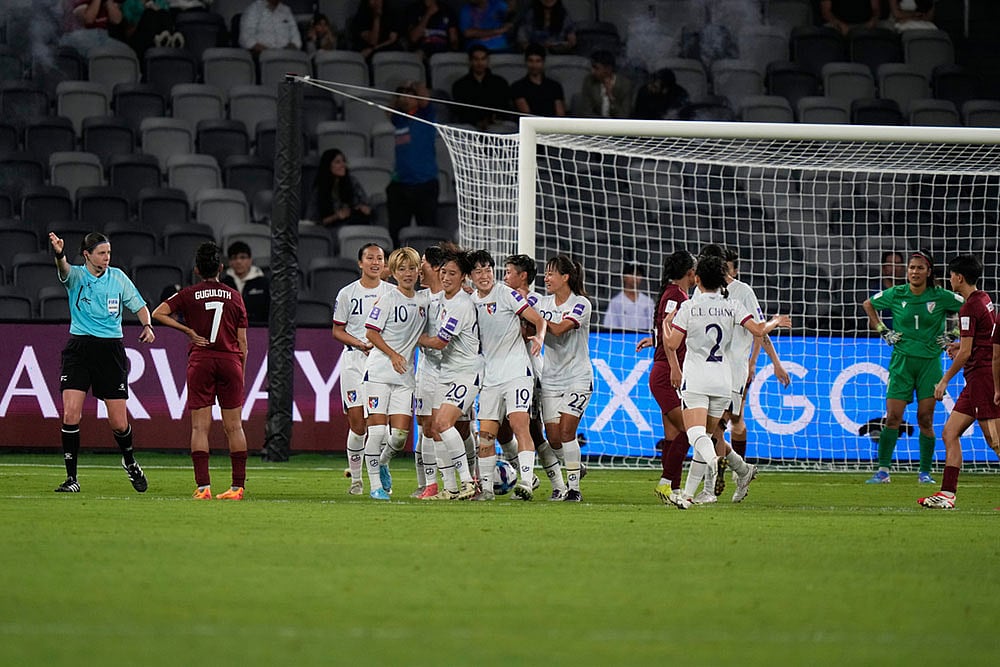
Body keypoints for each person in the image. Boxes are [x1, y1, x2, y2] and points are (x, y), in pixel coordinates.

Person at [664, 254, 792, 509]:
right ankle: (688, 496)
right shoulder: (733, 306)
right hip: (723, 379)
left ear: (697, 279)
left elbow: (672, 344)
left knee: (696, 435)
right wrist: (776, 321)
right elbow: (759, 330)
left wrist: (667, 325)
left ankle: (713, 462)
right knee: (708, 435)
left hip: (697, 378)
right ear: (722, 280)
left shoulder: (689, 306)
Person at [48, 231, 154, 494]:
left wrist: (147, 325)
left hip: (110, 351)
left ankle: (129, 461)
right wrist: (59, 253)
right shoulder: (75, 276)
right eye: (102, 253)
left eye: (108, 253)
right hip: (80, 349)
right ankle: (71, 478)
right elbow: (63, 268)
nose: (107, 258)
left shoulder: (117, 277)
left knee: (118, 423)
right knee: (71, 415)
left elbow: (139, 305)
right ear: (87, 255)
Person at [152, 242, 249, 501]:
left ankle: (203, 487)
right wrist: (241, 371)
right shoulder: (235, 296)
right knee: (235, 427)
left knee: (199, 427)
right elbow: (243, 343)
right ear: (221, 268)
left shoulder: (188, 294)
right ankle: (237, 488)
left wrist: (188, 331)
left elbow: (158, 313)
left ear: (196, 270)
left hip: (201, 360)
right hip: (230, 361)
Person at [861, 250, 964, 484]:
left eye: (919, 268)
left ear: (928, 272)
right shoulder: (897, 293)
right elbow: (868, 304)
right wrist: (883, 330)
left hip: (929, 364)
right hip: (902, 363)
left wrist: (954, 333)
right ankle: (883, 471)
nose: (914, 272)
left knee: (925, 419)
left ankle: (924, 472)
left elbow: (968, 307)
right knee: (892, 418)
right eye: (911, 268)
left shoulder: (940, 296)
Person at [703, 245, 791, 499]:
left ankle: (715, 484)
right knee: (714, 428)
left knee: (721, 426)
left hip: (734, 370)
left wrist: (769, 363)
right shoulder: (703, 291)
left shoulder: (743, 292)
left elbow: (759, 329)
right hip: (709, 369)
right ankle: (742, 470)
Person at [919, 256, 998, 509]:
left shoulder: (969, 308)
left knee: (995, 440)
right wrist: (959, 345)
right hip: (976, 378)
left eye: (951, 275)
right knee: (950, 433)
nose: (949, 279)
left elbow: (965, 353)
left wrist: (944, 380)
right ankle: (947, 494)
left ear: (959, 277)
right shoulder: (984, 298)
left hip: (982, 378)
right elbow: (981, 339)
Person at [468, 249, 547, 500]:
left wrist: (539, 337)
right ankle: (487, 491)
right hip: (490, 377)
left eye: (488, 270)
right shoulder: (471, 301)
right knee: (486, 435)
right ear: (471, 276)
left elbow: (539, 320)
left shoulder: (506, 294)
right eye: (478, 271)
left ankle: (526, 482)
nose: (484, 275)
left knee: (519, 424)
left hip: (516, 372)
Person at [362, 247, 427, 500]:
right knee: (378, 432)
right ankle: (375, 486)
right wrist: (393, 354)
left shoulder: (424, 301)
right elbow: (371, 333)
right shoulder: (387, 299)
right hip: (379, 373)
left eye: (411, 268)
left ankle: (383, 461)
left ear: (418, 271)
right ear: (394, 273)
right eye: (402, 269)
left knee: (399, 437)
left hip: (404, 377)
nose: (407, 273)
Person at [416, 246, 481, 500]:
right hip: (446, 371)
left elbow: (440, 342)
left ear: (463, 276)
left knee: (444, 424)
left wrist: (416, 339)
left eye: (452, 273)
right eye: (443, 272)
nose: (445, 277)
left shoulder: (461, 305)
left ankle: (467, 481)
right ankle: (450, 487)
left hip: (466, 372)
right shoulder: (444, 298)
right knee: (435, 428)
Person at [636, 251, 696, 498]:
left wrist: (655, 340)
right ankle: (665, 482)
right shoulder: (676, 296)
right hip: (667, 372)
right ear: (690, 273)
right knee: (690, 429)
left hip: (665, 369)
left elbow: (665, 330)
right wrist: (675, 367)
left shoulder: (674, 294)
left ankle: (674, 488)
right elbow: (667, 327)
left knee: (672, 435)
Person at [331, 243, 390, 495]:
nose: (375, 262)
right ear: (360, 263)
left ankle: (381, 467)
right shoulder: (347, 293)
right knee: (357, 425)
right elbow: (337, 330)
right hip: (354, 361)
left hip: (382, 362)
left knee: (381, 426)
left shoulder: (392, 292)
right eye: (370, 258)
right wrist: (359, 343)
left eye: (379, 258)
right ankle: (356, 480)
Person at [533, 255, 592, 502]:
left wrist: (537, 321)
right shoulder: (541, 302)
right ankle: (576, 465)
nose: (546, 278)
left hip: (578, 377)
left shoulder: (581, 304)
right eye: (545, 273)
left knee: (567, 432)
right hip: (551, 379)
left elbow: (558, 329)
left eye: (551, 273)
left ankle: (574, 489)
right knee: (554, 438)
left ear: (565, 277)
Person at [412, 245, 447, 498]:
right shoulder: (419, 298)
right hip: (426, 368)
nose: (418, 268)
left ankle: (471, 479)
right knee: (425, 426)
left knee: (457, 427)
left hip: (453, 370)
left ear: (435, 267)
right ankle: (427, 483)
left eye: (422, 262)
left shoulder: (454, 297)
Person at [387, 81, 439, 247]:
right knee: (396, 232)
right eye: (403, 96)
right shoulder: (399, 118)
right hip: (401, 185)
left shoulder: (426, 115)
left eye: (410, 96)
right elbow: (389, 111)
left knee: (427, 230)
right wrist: (399, 93)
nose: (406, 98)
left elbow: (425, 98)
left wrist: (413, 84)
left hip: (424, 184)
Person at [451, 44, 514, 130]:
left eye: (483, 59)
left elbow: (504, 106)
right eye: (476, 59)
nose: (479, 63)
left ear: (488, 61)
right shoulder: (460, 85)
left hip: (496, 124)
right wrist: (477, 121)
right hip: (470, 126)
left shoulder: (500, 82)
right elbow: (461, 110)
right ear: (470, 61)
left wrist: (491, 119)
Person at [306, 148, 373, 228]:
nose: (343, 165)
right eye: (338, 162)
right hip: (330, 230)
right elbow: (311, 221)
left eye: (343, 161)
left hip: (354, 227)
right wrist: (335, 217)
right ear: (328, 165)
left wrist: (365, 209)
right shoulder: (319, 189)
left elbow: (366, 204)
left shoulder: (352, 182)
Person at [510, 42, 566, 117]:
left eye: (538, 61)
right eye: (530, 61)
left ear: (543, 62)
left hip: (552, 123)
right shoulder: (517, 87)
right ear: (526, 62)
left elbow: (560, 114)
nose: (534, 65)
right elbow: (527, 115)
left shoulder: (555, 86)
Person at [220, 241, 269, 325]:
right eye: (234, 258)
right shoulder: (222, 285)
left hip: (259, 329)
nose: (238, 261)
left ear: (250, 260)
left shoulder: (264, 283)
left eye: (242, 257)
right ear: (229, 262)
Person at [579, 49, 633, 119]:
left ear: (608, 69)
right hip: (595, 123)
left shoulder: (625, 85)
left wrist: (610, 96)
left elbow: (623, 116)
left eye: (596, 68)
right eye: (592, 67)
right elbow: (586, 112)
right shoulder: (589, 81)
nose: (592, 71)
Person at [603, 262, 656, 331]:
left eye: (638, 274)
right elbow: (609, 326)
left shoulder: (648, 302)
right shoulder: (615, 302)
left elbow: (653, 326)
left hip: (644, 336)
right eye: (631, 274)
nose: (635, 278)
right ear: (624, 277)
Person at [874, 250, 906, 328]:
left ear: (903, 268)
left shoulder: (909, 290)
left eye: (898, 264)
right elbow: (871, 322)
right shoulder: (875, 292)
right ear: (883, 267)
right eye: (890, 264)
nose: (894, 268)